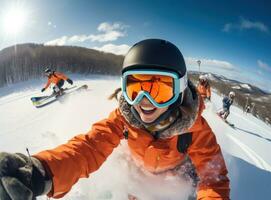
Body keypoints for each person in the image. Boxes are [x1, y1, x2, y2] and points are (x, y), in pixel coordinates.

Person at [0, 39, 230, 200]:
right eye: (135, 88)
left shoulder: (196, 130)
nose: (145, 100)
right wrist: (43, 171)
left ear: (179, 91)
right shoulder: (124, 118)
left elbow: (214, 179)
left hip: (179, 173)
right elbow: (89, 147)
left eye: (158, 89)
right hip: (142, 171)